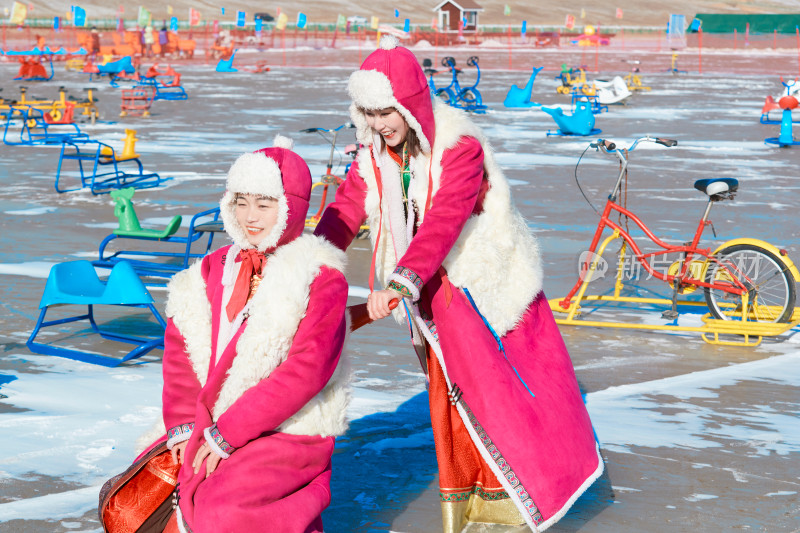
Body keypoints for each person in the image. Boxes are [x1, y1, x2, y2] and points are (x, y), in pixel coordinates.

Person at [314, 35, 603, 532]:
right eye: (369, 114)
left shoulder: (459, 147)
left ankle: (515, 500)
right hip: (427, 291)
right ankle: (470, 499)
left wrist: (404, 281)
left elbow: (444, 219)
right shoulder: (375, 155)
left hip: (479, 285)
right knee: (447, 397)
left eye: (386, 112)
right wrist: (310, 262)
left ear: (408, 102)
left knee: (501, 396)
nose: (380, 125)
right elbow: (344, 211)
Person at [158, 137, 350, 532]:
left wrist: (228, 433)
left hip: (287, 425)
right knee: (151, 494)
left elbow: (307, 370)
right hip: (209, 418)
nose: (250, 216)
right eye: (240, 202)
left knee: (223, 510)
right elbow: (180, 350)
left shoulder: (318, 277)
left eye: (264, 204)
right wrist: (180, 423)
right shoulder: (213, 269)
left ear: (291, 207)